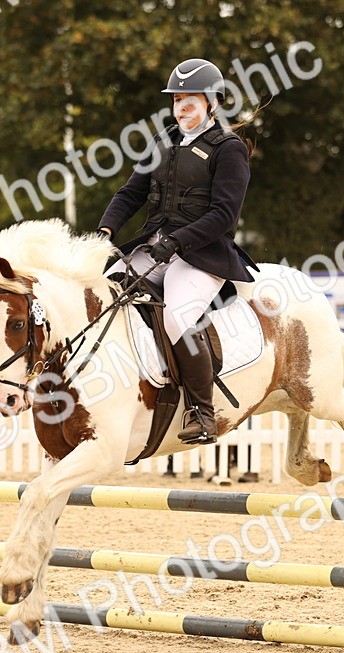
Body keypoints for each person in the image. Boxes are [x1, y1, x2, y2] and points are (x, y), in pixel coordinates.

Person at [97, 57, 253, 445]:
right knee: (103, 294)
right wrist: (105, 230)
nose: (181, 107)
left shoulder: (228, 148)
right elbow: (131, 192)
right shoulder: (163, 139)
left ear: (212, 102)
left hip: (202, 255)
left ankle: (202, 411)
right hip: (155, 247)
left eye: (190, 99)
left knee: (179, 317)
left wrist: (177, 241)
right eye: (176, 99)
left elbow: (223, 215)